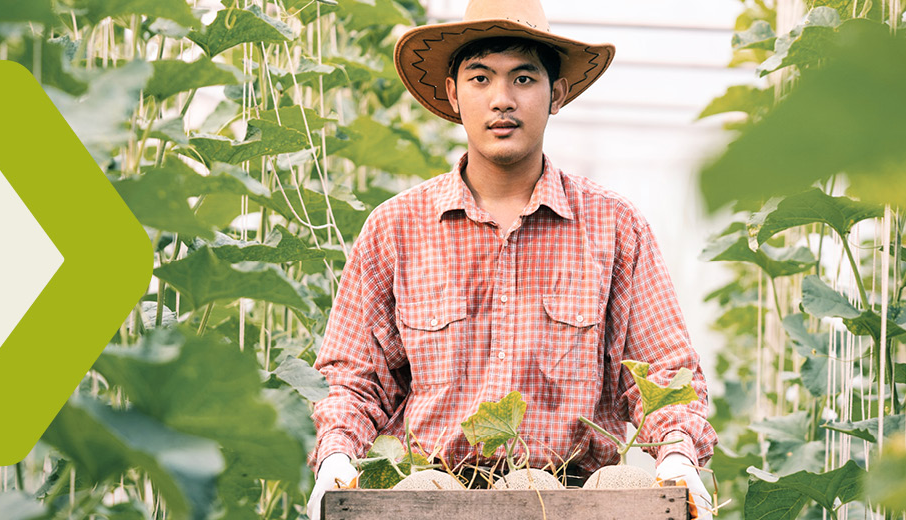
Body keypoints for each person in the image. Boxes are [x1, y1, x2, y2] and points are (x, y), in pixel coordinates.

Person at [305, 0, 718, 518]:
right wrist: (337, 455)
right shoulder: (395, 228)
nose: (502, 100)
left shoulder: (615, 226)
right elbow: (356, 381)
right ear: (454, 94)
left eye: (524, 79)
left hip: (576, 498)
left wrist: (679, 456)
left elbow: (663, 375)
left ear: (557, 94)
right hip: (429, 496)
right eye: (480, 78)